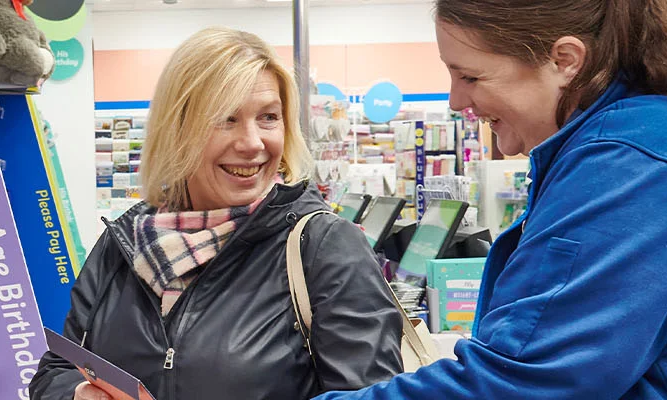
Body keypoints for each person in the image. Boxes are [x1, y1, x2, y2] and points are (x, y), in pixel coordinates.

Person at [315, 0, 667, 399]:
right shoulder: (643, 140)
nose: (457, 100)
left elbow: (527, 379)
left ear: (565, 60)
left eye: (470, 75)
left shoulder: (634, 164)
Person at [30, 27, 404, 400]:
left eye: (269, 117)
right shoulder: (126, 238)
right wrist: (79, 394)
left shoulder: (323, 247)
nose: (253, 142)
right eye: (226, 118)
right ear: (177, 128)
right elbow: (56, 368)